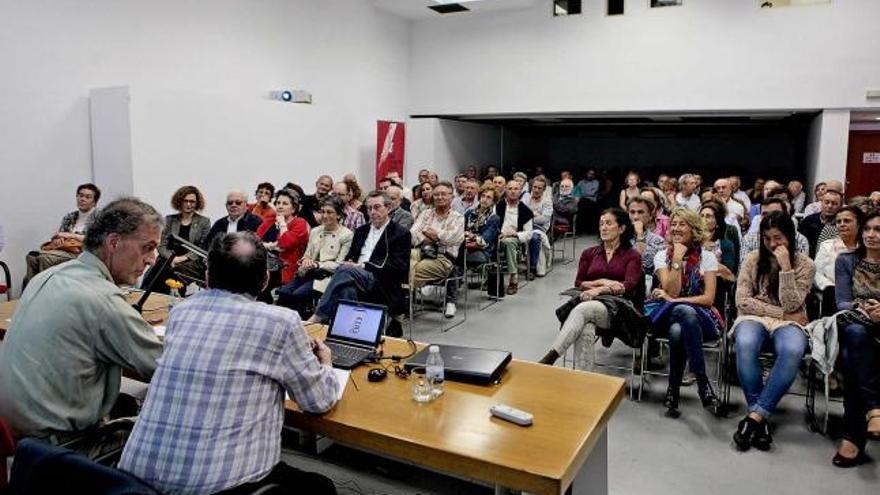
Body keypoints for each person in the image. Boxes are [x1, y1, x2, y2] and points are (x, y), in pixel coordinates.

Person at [118, 232, 339, 494]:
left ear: (208, 276)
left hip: (134, 480)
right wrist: (326, 364)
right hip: (215, 487)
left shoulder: (180, 312)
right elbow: (318, 401)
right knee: (321, 487)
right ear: (265, 280)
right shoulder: (282, 322)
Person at [0, 198, 164, 451]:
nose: (152, 259)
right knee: (165, 443)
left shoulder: (47, 276)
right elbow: (166, 368)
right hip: (61, 448)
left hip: (14, 437)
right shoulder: (104, 300)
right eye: (147, 247)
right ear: (113, 242)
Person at [732, 211, 815, 452]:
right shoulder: (752, 259)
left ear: (790, 236)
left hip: (789, 323)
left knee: (792, 349)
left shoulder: (806, 265)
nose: (772, 244)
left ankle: (755, 418)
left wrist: (786, 267)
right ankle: (761, 418)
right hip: (753, 317)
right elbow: (743, 301)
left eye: (778, 237)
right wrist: (781, 314)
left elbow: (792, 303)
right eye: (767, 238)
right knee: (745, 344)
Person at [538, 208, 643, 370]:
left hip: (618, 310)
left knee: (583, 309)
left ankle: (550, 357)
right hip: (591, 302)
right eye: (601, 224)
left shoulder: (632, 255)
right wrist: (605, 282)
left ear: (621, 228)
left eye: (608, 223)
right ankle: (583, 377)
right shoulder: (590, 253)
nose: (603, 228)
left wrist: (599, 290)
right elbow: (579, 282)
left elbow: (628, 285)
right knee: (586, 328)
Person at [647, 207, 725, 416]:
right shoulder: (662, 256)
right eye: (673, 224)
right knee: (681, 314)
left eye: (682, 224)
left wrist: (674, 300)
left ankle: (673, 390)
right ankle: (703, 384)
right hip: (666, 314)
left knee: (678, 328)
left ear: (694, 229)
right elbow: (671, 288)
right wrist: (676, 260)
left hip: (701, 318)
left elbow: (708, 299)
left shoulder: (707, 257)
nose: (676, 228)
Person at [306, 191, 411, 334]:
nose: (372, 212)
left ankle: (317, 317)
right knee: (346, 289)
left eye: (377, 207)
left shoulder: (400, 233)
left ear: (388, 208)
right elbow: (351, 257)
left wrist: (362, 266)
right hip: (356, 279)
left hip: (382, 282)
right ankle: (349, 334)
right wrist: (350, 262)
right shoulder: (361, 230)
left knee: (345, 270)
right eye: (369, 208)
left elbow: (399, 268)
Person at [831, 210, 880, 467]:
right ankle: (874, 409)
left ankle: (853, 436)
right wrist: (866, 310)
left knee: (853, 355)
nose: (872, 235)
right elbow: (842, 303)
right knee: (855, 335)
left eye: (879, 230)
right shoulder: (846, 261)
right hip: (857, 323)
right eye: (868, 229)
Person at [275, 196, 353, 319]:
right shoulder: (315, 231)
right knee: (284, 293)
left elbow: (340, 264)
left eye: (329, 212)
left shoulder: (346, 235)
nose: (325, 216)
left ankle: (305, 326)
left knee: (298, 295)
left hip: (327, 276)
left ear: (339, 215)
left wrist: (317, 264)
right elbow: (307, 254)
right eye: (322, 212)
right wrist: (304, 262)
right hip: (308, 272)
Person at [23, 183, 101, 289]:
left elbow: (95, 240)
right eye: (80, 195)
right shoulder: (70, 217)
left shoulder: (100, 217)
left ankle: (46, 294)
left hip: (84, 253)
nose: (82, 199)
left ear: (94, 202)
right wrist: (58, 240)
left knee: (46, 258)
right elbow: (60, 236)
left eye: (87, 197)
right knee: (32, 257)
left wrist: (68, 235)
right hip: (65, 250)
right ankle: (30, 294)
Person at [409, 182, 465, 317]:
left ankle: (403, 303)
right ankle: (405, 300)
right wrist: (432, 238)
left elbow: (453, 239)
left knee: (412, 273)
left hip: (444, 258)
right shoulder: (426, 213)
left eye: (444, 194)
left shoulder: (458, 217)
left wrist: (433, 233)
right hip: (420, 252)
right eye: (436, 194)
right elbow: (412, 235)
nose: (440, 197)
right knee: (400, 265)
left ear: (451, 197)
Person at [143, 185, 211, 292]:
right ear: (180, 201)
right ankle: (149, 295)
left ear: (197, 203)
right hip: (169, 258)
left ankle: (166, 298)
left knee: (171, 271)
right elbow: (161, 244)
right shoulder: (170, 220)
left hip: (190, 261)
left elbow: (203, 247)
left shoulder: (204, 222)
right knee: (159, 269)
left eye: (192, 202)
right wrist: (172, 258)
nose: (189, 204)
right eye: (185, 201)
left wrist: (183, 258)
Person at [814, 206, 863, 317]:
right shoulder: (827, 246)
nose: (841, 224)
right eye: (838, 221)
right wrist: (830, 286)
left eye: (847, 221)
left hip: (860, 294)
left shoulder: (866, 248)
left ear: (859, 224)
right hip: (831, 293)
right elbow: (816, 273)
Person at [257, 189, 310, 285]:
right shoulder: (268, 221)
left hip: (285, 274)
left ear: (293, 208)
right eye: (278, 203)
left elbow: (285, 244)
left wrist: (282, 223)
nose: (280, 206)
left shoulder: (299, 223)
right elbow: (255, 243)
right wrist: (272, 245)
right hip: (263, 271)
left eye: (285, 203)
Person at [741, 197, 809, 266]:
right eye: (764, 214)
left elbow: (802, 268)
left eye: (775, 213)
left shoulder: (800, 240)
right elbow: (743, 268)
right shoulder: (749, 239)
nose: (769, 217)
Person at [497, 180, 534, 295]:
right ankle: (490, 278)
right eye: (510, 189)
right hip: (498, 236)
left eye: (516, 189)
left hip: (515, 238)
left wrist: (514, 234)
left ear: (520, 191)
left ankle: (513, 277)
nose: (513, 192)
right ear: (506, 191)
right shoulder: (499, 206)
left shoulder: (526, 211)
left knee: (509, 242)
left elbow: (529, 233)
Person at [464, 183, 501, 268]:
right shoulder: (469, 213)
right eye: (483, 196)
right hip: (466, 246)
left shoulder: (494, 218)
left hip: (482, 251)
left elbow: (484, 241)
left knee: (457, 256)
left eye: (488, 197)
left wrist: (470, 235)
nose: (485, 199)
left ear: (493, 201)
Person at [799, 185, 843, 256]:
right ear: (821, 203)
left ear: (840, 206)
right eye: (826, 202)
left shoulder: (842, 224)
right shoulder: (809, 221)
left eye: (834, 203)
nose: (829, 206)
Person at [627, 196, 665, 275]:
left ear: (650, 216)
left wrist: (640, 235)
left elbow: (646, 265)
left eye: (640, 212)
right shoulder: (618, 237)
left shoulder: (658, 240)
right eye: (632, 212)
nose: (635, 217)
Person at [700, 201, 737, 282]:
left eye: (708, 216)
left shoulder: (726, 245)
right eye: (701, 216)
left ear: (717, 222)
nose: (703, 219)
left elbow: (728, 274)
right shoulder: (692, 242)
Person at [525, 176, 553, 278]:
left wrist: (529, 217)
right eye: (534, 187)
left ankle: (532, 268)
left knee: (535, 237)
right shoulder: (527, 198)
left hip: (539, 229)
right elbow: (520, 213)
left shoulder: (547, 201)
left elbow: (544, 219)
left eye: (539, 188)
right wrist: (534, 214)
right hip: (524, 227)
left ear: (544, 189)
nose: (536, 190)